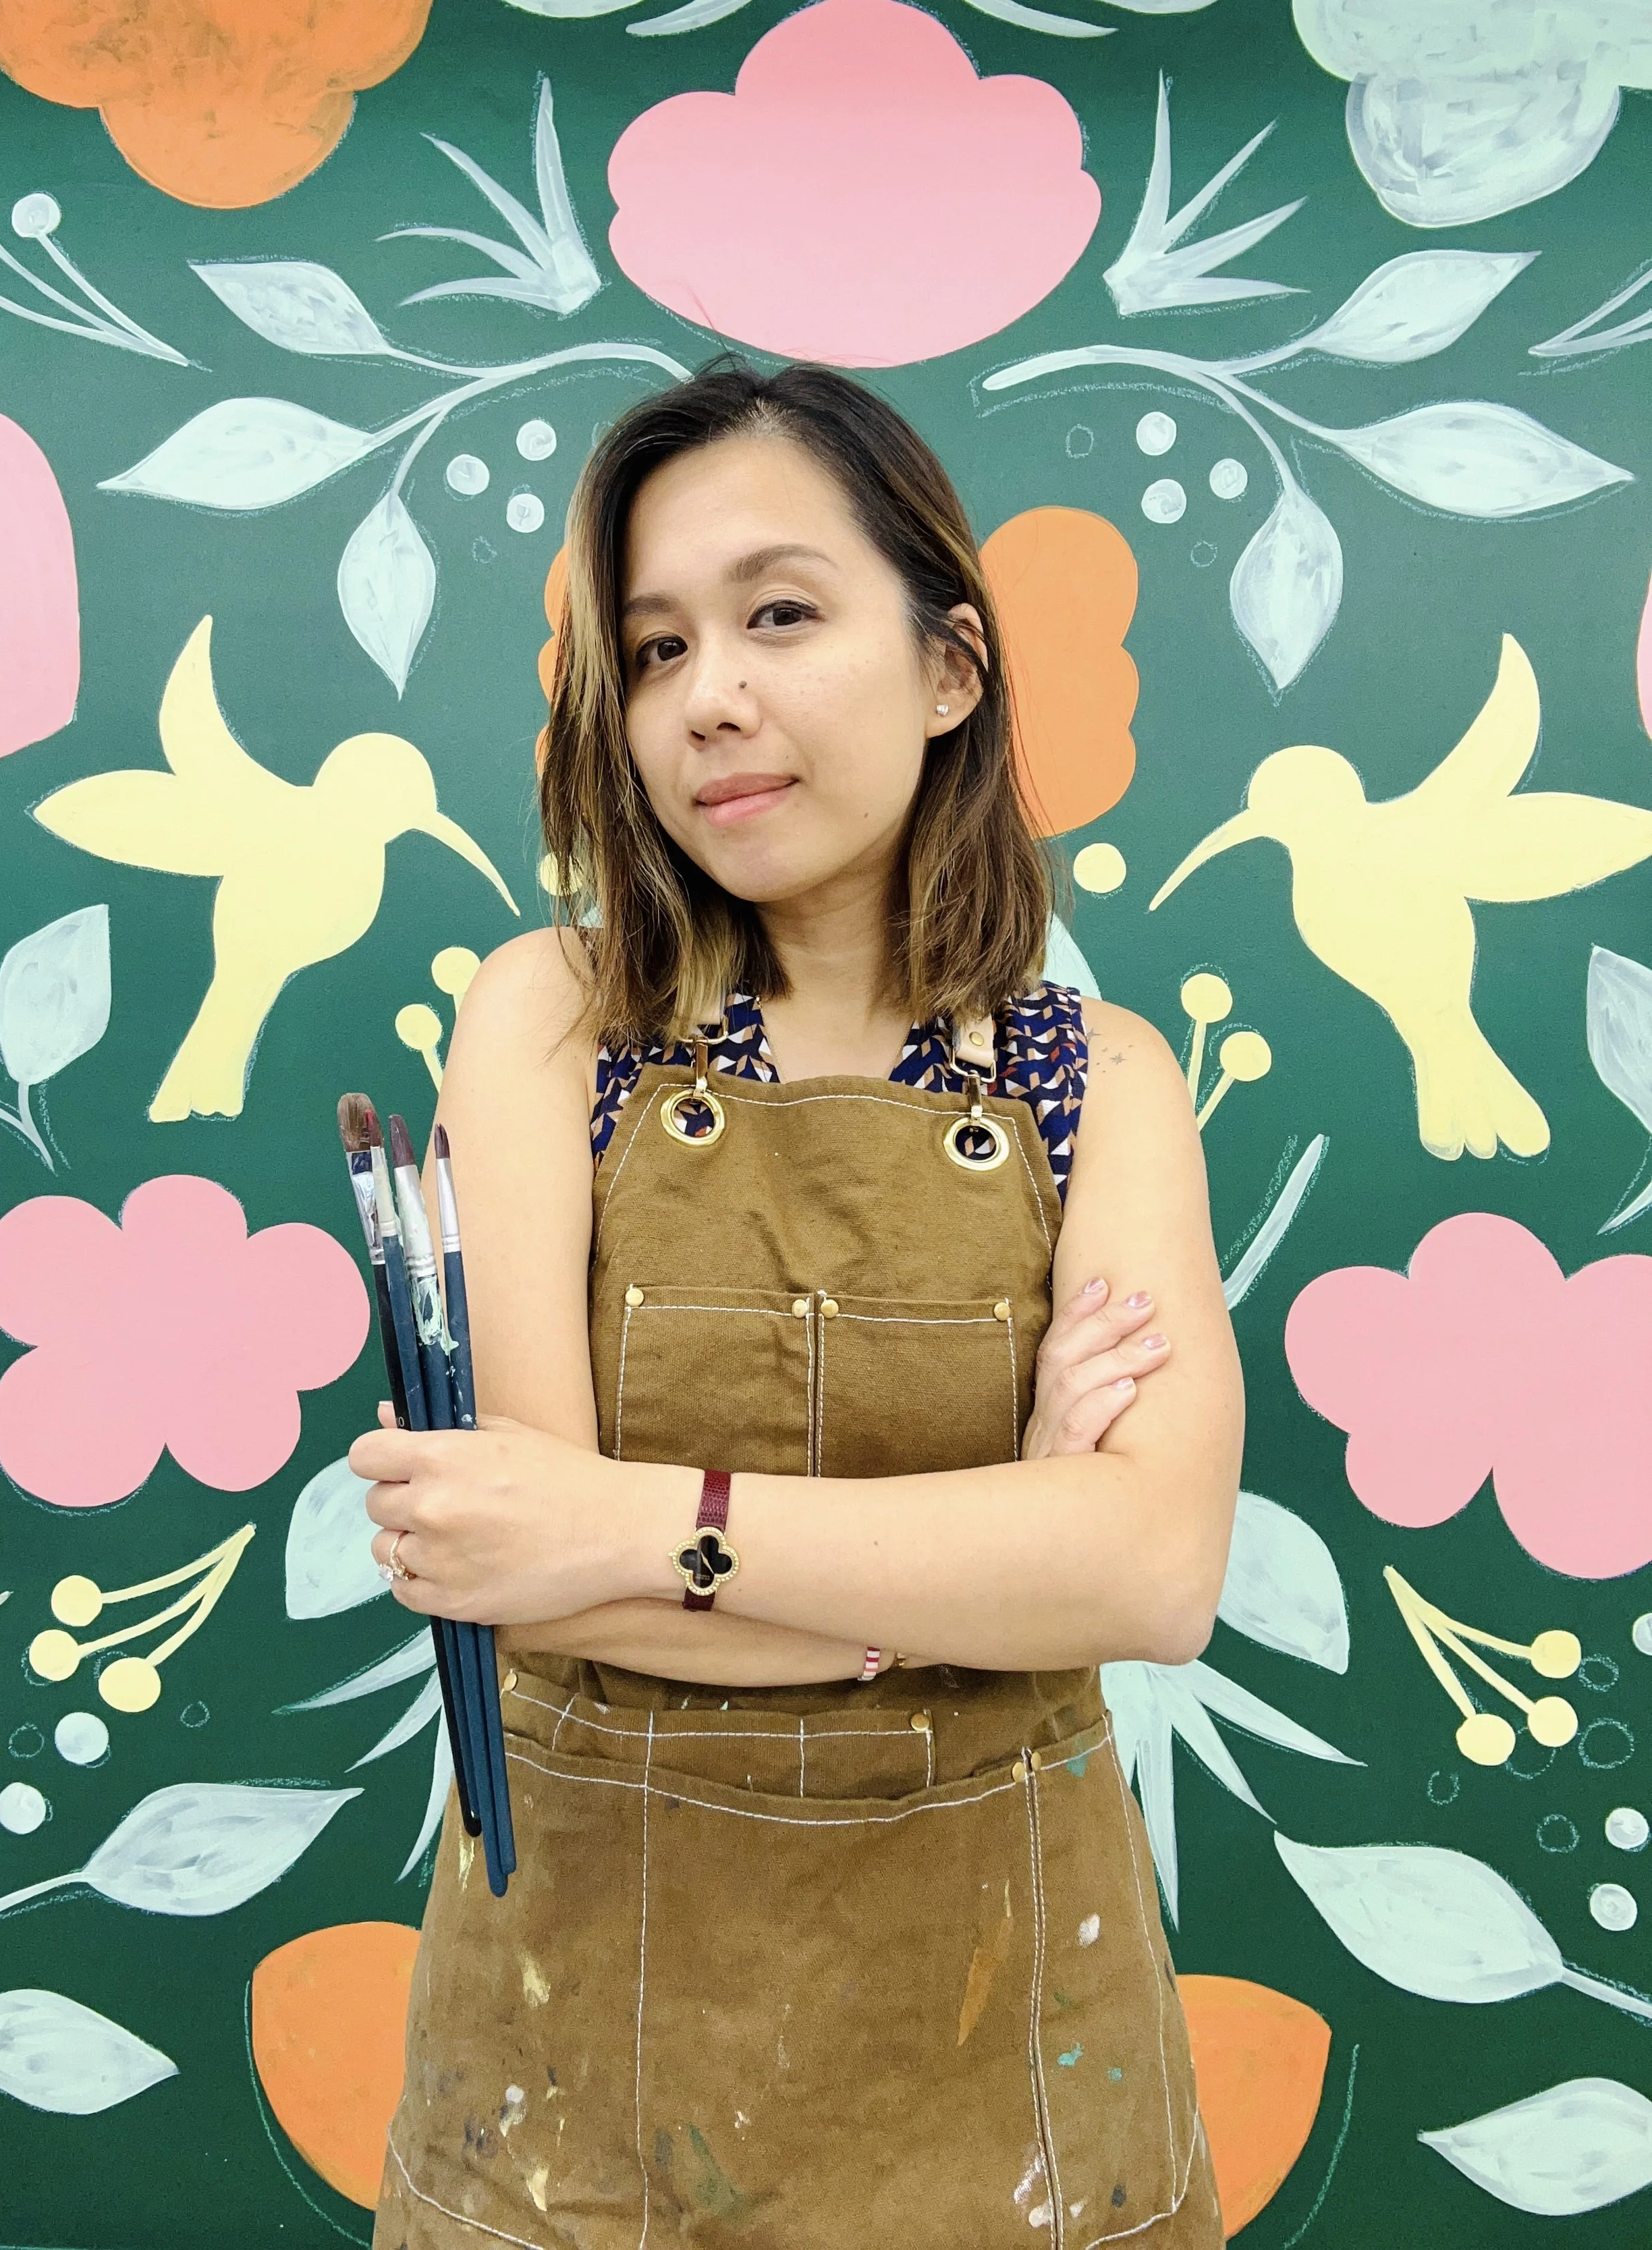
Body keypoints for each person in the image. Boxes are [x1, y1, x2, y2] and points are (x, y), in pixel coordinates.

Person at [358, 354, 1244, 2250]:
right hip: (577, 2073)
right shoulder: (550, 1016)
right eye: (656, 649)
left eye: (778, 614)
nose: (709, 698)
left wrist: (639, 1524)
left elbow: (1155, 1575)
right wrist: (985, 1558)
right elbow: (521, 1576)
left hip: (1013, 2063)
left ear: (949, 666)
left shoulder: (1104, 1079)